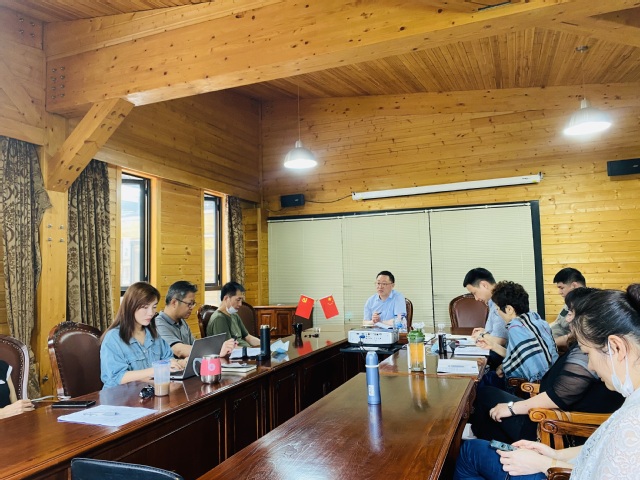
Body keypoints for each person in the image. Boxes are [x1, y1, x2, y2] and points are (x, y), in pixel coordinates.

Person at [454, 284, 640, 480]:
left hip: (557, 452)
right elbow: (597, 448)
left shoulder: (632, 420)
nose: (590, 366)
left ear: (616, 348)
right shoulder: (632, 401)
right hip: (563, 457)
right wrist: (554, 454)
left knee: (470, 451)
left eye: (588, 354)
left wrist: (546, 464)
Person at [468, 287, 624, 444]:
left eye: (571, 313)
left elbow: (557, 397)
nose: (567, 319)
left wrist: (511, 407)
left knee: (485, 395)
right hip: (545, 409)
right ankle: (492, 445)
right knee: (488, 398)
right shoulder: (585, 348)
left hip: (551, 425)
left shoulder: (586, 353)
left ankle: (486, 446)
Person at [476, 281, 558, 390]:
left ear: (509, 309)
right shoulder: (537, 321)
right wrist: (493, 346)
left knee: (481, 384)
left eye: (497, 309)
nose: (497, 312)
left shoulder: (516, 328)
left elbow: (516, 367)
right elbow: (519, 355)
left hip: (534, 388)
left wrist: (503, 367)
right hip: (553, 379)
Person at [100, 282, 182, 389]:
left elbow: (168, 358)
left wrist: (178, 364)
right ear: (131, 306)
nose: (151, 313)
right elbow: (118, 377)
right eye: (145, 307)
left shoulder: (153, 334)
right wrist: (156, 369)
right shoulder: (113, 338)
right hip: (120, 396)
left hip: (150, 392)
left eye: (154, 307)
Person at [155, 281, 235, 359]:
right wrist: (216, 350)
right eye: (189, 304)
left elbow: (194, 346)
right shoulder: (158, 323)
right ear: (174, 302)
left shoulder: (181, 321)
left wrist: (220, 346)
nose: (192, 308)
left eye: (193, 304)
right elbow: (179, 350)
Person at [463, 268, 509, 369]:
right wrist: (486, 331)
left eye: (474, 293)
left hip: (503, 360)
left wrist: (482, 335)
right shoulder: (493, 301)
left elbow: (499, 341)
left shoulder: (499, 302)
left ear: (484, 285)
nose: (476, 298)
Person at [206, 282, 260, 347]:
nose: (240, 304)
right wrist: (250, 350)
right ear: (226, 298)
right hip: (238, 352)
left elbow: (248, 337)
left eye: (241, 300)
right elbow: (229, 348)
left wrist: (265, 345)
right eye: (238, 300)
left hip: (246, 350)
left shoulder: (234, 315)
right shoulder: (219, 319)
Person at [550, 267, 586, 349]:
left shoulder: (585, 305)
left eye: (562, 288)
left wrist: (548, 344)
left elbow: (574, 337)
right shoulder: (569, 302)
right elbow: (557, 321)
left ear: (574, 286)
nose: (559, 292)